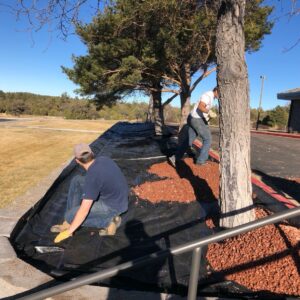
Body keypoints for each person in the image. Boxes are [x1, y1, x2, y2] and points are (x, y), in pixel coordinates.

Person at [52, 143, 129, 243]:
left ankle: (108, 222)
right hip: (120, 197)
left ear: (77, 161)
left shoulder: (92, 178)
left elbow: (84, 210)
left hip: (114, 206)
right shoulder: (104, 159)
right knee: (77, 180)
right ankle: (69, 221)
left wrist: (69, 232)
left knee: (70, 216)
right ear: (92, 153)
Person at [168, 87, 218, 167]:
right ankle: (201, 161)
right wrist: (209, 112)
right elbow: (200, 107)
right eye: (220, 94)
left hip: (193, 118)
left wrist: (207, 117)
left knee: (189, 141)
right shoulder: (208, 95)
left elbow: (202, 110)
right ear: (216, 91)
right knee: (207, 139)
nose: (220, 97)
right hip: (196, 119)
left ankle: (174, 158)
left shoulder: (210, 96)